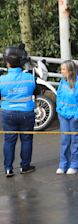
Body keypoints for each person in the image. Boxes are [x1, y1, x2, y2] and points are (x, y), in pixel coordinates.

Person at [0, 45, 36, 177]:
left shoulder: (1, 80)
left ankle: (8, 168)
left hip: (8, 113)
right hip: (27, 113)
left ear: (7, 62)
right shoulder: (29, 78)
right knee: (26, 140)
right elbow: (36, 91)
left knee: (9, 140)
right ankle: (25, 166)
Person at [55, 60, 78, 175]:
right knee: (64, 140)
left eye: (63, 69)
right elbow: (58, 96)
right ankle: (63, 164)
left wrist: (77, 116)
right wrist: (59, 110)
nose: (61, 71)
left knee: (75, 141)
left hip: (75, 117)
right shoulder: (62, 82)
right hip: (63, 115)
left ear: (70, 71)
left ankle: (74, 165)